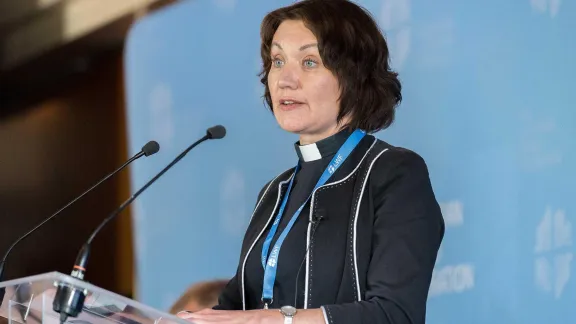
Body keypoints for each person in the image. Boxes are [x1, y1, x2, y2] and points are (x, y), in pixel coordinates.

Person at [179, 0, 444, 323]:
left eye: (308, 62)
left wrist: (272, 320)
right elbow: (236, 308)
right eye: (277, 61)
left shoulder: (393, 172)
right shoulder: (274, 192)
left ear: (353, 75)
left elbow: (394, 314)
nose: (284, 80)